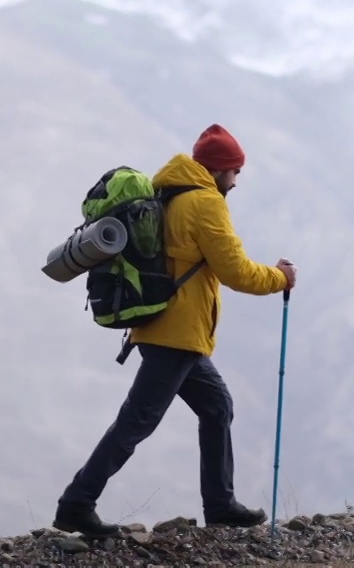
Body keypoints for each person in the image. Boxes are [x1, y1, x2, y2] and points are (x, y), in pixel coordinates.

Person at [53, 123, 299, 537]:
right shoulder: (205, 203)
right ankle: (76, 504)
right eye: (234, 171)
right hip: (177, 334)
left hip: (166, 328)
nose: (236, 180)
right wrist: (280, 278)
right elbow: (235, 272)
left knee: (216, 406)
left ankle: (220, 505)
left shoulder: (167, 192)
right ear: (219, 169)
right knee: (137, 422)